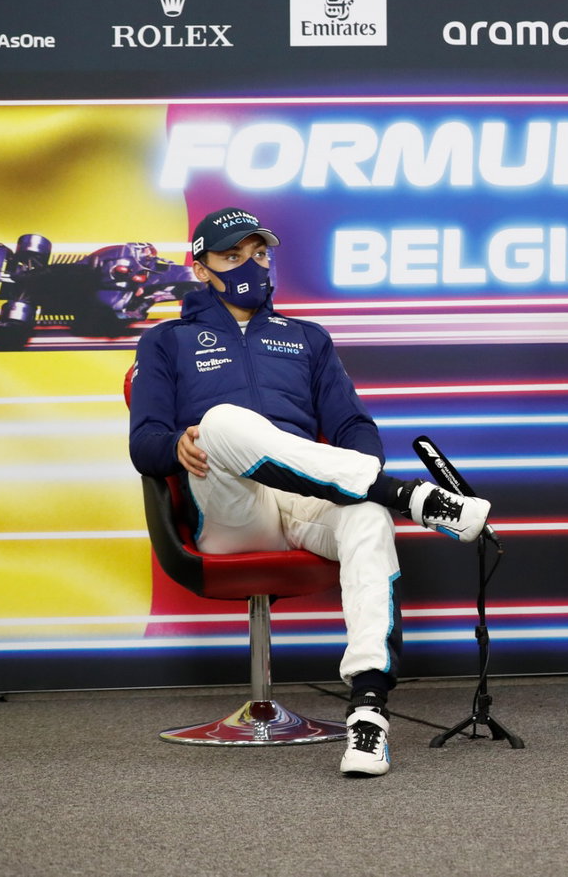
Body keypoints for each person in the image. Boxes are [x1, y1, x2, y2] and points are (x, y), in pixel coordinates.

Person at [128, 207, 492, 776]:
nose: (253, 266)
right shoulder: (166, 342)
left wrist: (359, 473)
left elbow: (354, 428)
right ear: (200, 270)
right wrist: (175, 444)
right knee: (223, 419)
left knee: (368, 517)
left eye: (261, 254)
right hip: (227, 503)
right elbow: (144, 442)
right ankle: (412, 497)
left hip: (305, 495)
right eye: (233, 256)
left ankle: (368, 712)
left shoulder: (306, 338)